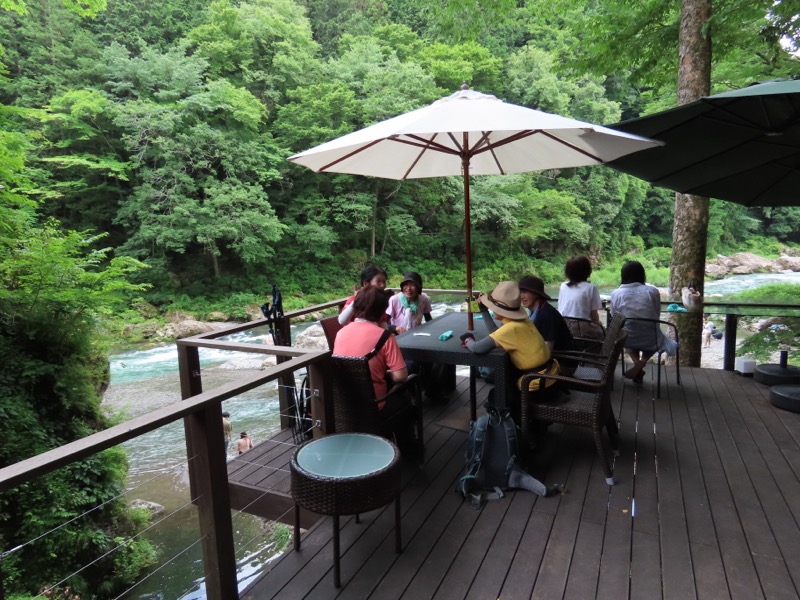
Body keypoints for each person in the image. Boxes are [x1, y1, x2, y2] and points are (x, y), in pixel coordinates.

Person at [459, 281, 559, 409]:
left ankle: (513, 423)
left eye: (492, 306)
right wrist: (484, 311)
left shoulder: (510, 329)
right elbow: (497, 333)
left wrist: (467, 340)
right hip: (549, 378)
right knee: (498, 390)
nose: (491, 308)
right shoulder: (523, 320)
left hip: (536, 386)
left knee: (495, 396)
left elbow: (477, 348)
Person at [333, 285, 408, 401]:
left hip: (344, 404)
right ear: (382, 311)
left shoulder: (340, 333)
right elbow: (401, 377)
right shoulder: (386, 337)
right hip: (374, 404)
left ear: (356, 306)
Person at [609, 260, 678, 383]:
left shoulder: (616, 293)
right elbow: (656, 314)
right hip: (651, 338)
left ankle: (638, 365)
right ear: (642, 274)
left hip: (628, 338)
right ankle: (641, 363)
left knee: (626, 335)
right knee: (654, 337)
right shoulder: (652, 291)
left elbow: (615, 317)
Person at [518, 275, 574, 352]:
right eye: (520, 292)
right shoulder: (535, 312)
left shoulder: (547, 314)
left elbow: (548, 348)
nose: (522, 296)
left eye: (525, 292)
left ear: (536, 294)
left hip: (561, 358)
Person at [557, 256, 604, 331]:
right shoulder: (591, 288)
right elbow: (594, 317)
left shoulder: (563, 286)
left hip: (564, 328)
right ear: (588, 271)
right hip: (582, 331)